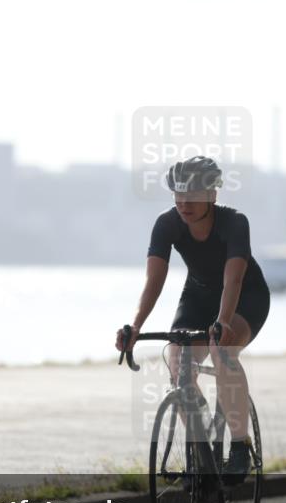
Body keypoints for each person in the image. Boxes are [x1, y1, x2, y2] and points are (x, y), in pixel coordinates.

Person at [114, 156, 271, 480]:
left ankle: (240, 446)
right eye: (178, 195)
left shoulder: (235, 222)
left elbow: (234, 280)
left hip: (244, 297)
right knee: (181, 372)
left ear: (212, 195)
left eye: (193, 196)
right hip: (198, 295)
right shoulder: (167, 223)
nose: (184, 203)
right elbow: (153, 281)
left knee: (222, 352)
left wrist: (224, 322)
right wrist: (136, 326)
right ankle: (201, 456)